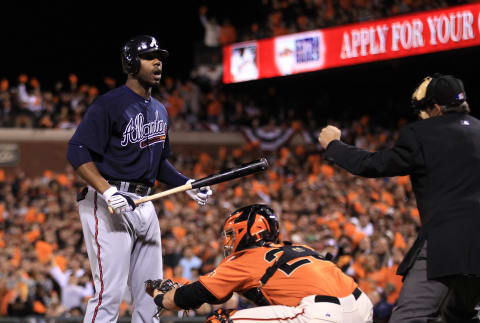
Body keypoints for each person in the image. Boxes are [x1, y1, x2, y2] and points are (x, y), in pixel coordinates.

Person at [66, 35, 212, 322]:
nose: (158, 62)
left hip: (145, 202)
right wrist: (106, 190)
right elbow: (77, 151)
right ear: (132, 63)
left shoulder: (159, 109)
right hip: (109, 202)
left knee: (151, 295)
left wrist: (186, 184)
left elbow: (159, 163)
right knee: (109, 294)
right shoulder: (109, 104)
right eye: (150, 56)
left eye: (160, 57)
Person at [318, 73, 480, 322]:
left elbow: (373, 165)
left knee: (408, 318)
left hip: (446, 244)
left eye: (425, 109)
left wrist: (335, 146)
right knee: (459, 315)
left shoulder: (422, 133)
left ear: (436, 107)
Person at [148, 204, 373, 323]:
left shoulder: (246, 258)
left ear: (245, 230)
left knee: (221, 321)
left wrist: (160, 297)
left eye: (231, 234)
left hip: (320, 314)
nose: (229, 241)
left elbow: (191, 296)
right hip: (362, 306)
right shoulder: (299, 248)